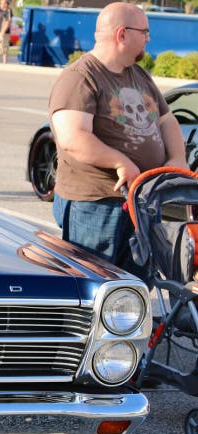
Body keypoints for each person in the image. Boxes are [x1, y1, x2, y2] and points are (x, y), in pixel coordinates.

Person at [49, 2, 188, 274]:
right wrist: (120, 161)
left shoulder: (137, 75)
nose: (148, 38)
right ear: (122, 34)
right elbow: (72, 137)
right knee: (98, 285)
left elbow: (166, 120)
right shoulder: (80, 77)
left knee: (135, 289)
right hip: (97, 205)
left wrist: (178, 159)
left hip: (142, 200)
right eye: (145, 32)